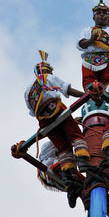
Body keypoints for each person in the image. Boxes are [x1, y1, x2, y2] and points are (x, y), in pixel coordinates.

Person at [25, 50, 90, 192]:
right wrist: (87, 96)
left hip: (44, 122)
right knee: (76, 136)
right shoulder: (48, 78)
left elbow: (31, 112)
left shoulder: (28, 91)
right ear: (47, 70)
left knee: (63, 148)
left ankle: (68, 175)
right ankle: (83, 161)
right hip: (58, 110)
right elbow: (68, 90)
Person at [76, 0, 109, 90]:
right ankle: (90, 97)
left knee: (108, 86)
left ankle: (107, 99)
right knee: (89, 84)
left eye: (104, 13)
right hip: (89, 60)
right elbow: (80, 44)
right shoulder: (87, 30)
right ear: (94, 17)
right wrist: (91, 40)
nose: (102, 15)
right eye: (98, 13)